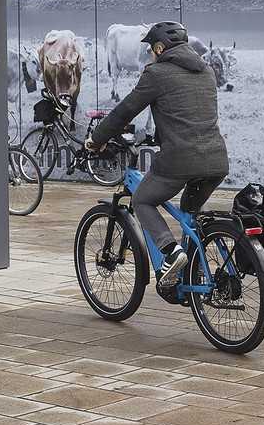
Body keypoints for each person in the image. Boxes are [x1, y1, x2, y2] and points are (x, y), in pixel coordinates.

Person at [86, 21, 229, 286]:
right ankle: (194, 275)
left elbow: (125, 110)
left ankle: (170, 251)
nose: (150, 54)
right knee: (191, 213)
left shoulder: (156, 74)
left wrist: (96, 140)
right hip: (217, 160)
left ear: (161, 47)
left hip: (180, 159)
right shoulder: (206, 71)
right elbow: (186, 113)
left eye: (152, 49)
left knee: (142, 199)